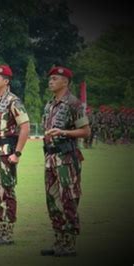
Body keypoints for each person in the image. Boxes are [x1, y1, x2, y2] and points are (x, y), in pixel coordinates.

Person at [40, 66, 90, 257]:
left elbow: (86, 131)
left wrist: (64, 132)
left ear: (65, 82)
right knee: (52, 200)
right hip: (50, 159)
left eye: (55, 78)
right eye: (50, 78)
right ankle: (59, 241)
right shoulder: (50, 104)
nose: (50, 81)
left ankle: (69, 243)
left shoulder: (74, 104)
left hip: (67, 160)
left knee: (68, 199)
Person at [0, 65, 30, 245]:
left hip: (6, 153)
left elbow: (25, 126)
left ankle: (8, 232)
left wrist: (17, 153)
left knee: (6, 191)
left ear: (6, 81)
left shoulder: (13, 101)